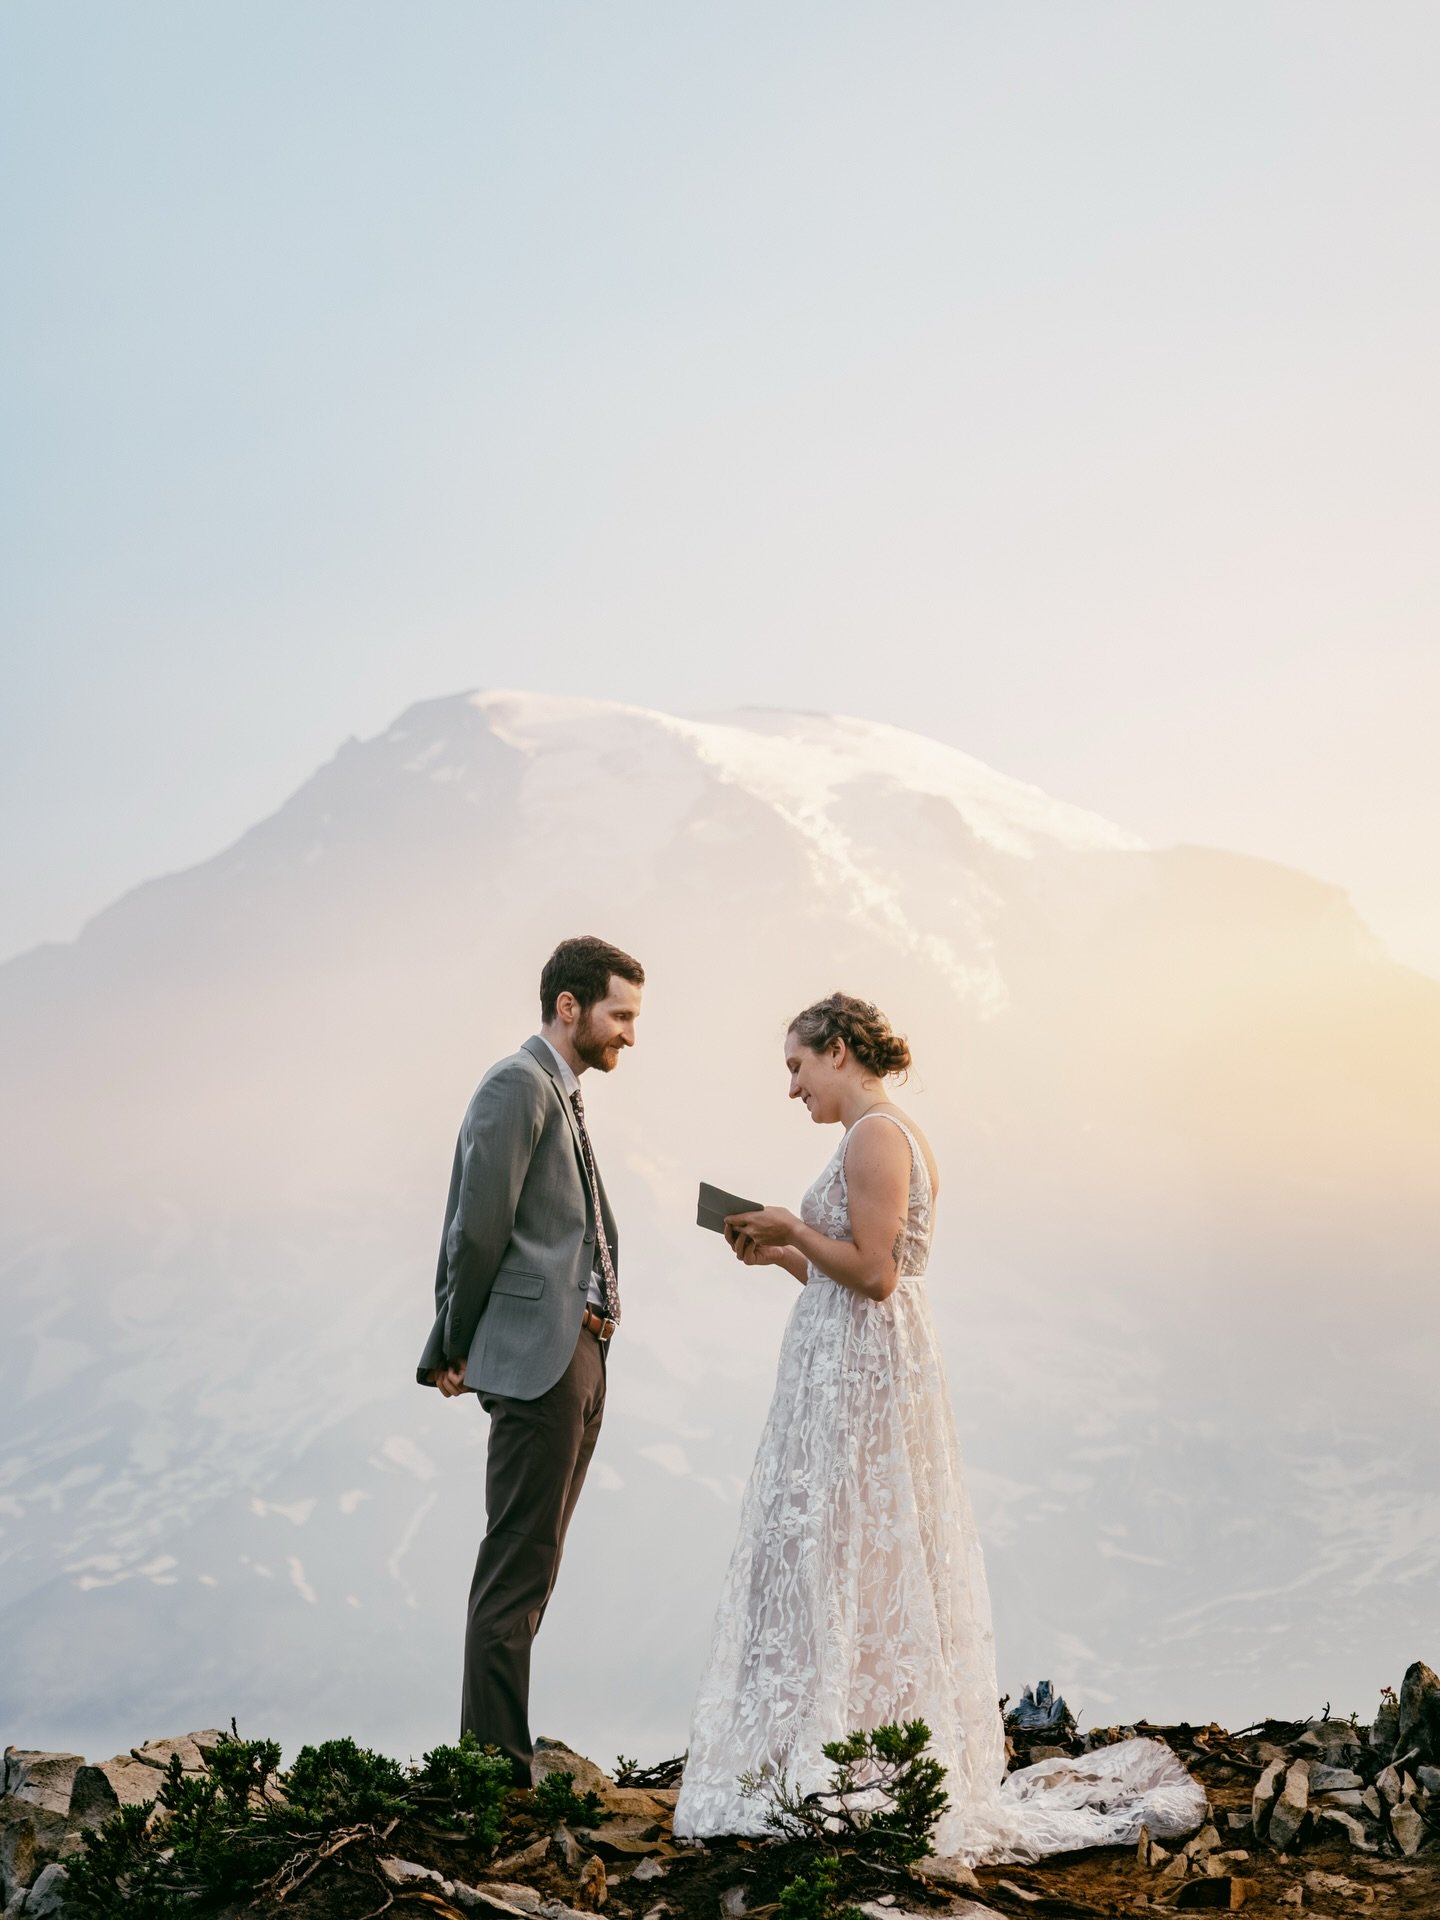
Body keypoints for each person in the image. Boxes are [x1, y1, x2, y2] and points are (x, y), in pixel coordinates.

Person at [672, 992, 1203, 1861]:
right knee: (843, 1554)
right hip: (852, 1368)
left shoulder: (877, 1135)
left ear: (838, 1050)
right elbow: (842, 1281)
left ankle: (841, 1758)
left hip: (861, 1380)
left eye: (797, 1067)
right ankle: (839, 1745)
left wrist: (793, 1222)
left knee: (843, 1549)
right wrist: (780, 1252)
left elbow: (877, 1276)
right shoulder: (871, 1135)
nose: (793, 1088)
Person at [417, 935, 644, 1786]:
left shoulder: (561, 1092)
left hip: (577, 1355)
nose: (630, 1034)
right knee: (516, 1564)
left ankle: (497, 1754)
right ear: (569, 1007)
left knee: (534, 1566)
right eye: (620, 1014)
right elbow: (477, 1225)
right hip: (541, 1361)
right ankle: (492, 1769)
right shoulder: (518, 1085)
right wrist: (452, 1339)